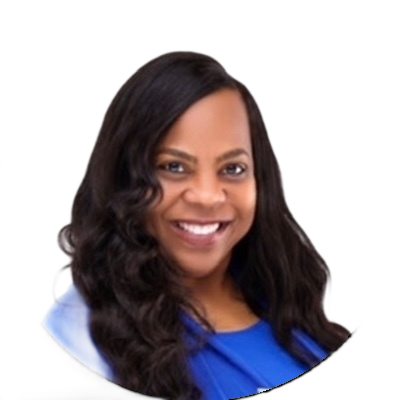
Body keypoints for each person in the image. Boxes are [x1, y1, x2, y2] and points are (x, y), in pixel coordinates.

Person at [41, 50, 350, 398]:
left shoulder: (286, 307)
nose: (207, 196)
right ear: (123, 179)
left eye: (232, 169)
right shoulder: (76, 336)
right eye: (174, 167)